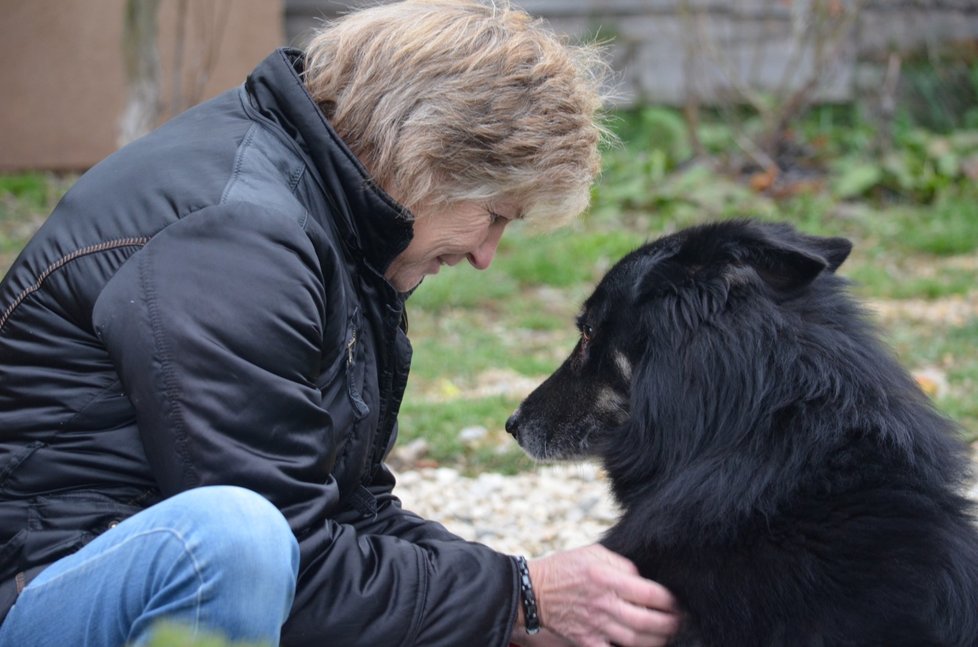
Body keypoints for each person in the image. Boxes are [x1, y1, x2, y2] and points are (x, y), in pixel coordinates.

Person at [0, 1, 680, 645]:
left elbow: (348, 509)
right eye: (496, 214)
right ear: (431, 157)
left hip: (121, 570)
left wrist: (518, 590)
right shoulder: (239, 237)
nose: (484, 255)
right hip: (41, 590)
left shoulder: (328, 220)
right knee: (234, 539)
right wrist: (523, 596)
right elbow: (295, 568)